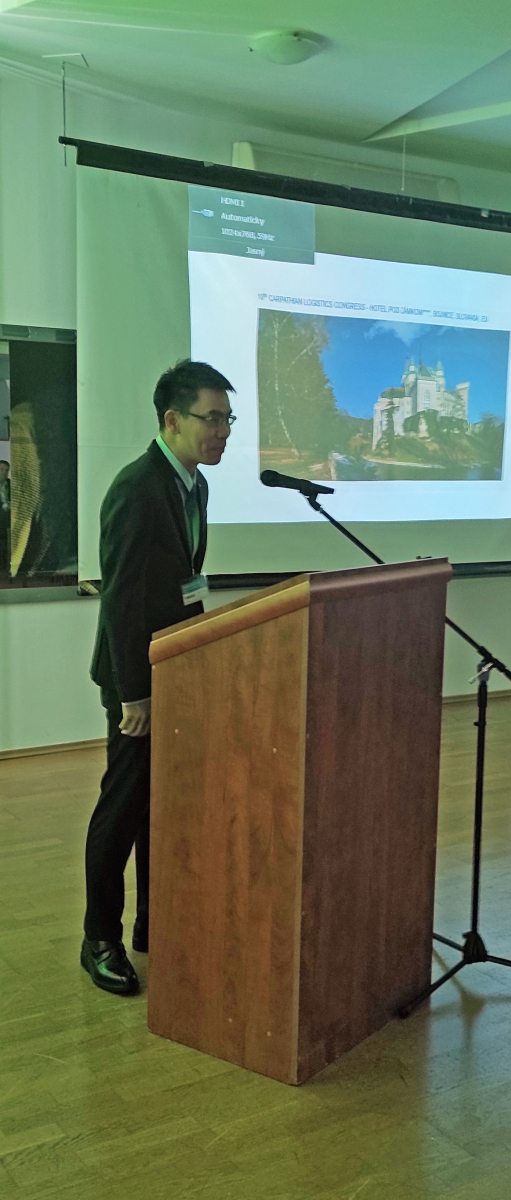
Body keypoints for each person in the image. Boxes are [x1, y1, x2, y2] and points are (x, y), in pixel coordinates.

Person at [81, 360, 235, 995]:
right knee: (121, 808)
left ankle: (154, 921)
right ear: (172, 420)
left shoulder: (193, 485)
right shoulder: (138, 488)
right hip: (137, 683)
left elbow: (181, 582)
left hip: (177, 669)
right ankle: (99, 938)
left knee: (161, 804)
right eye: (212, 418)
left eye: (228, 419)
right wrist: (134, 693)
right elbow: (120, 600)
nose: (223, 431)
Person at [0, 459, 10, 576]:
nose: (4, 472)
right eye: (1, 469)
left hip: (9, 519)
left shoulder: (11, 484)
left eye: (6, 470)